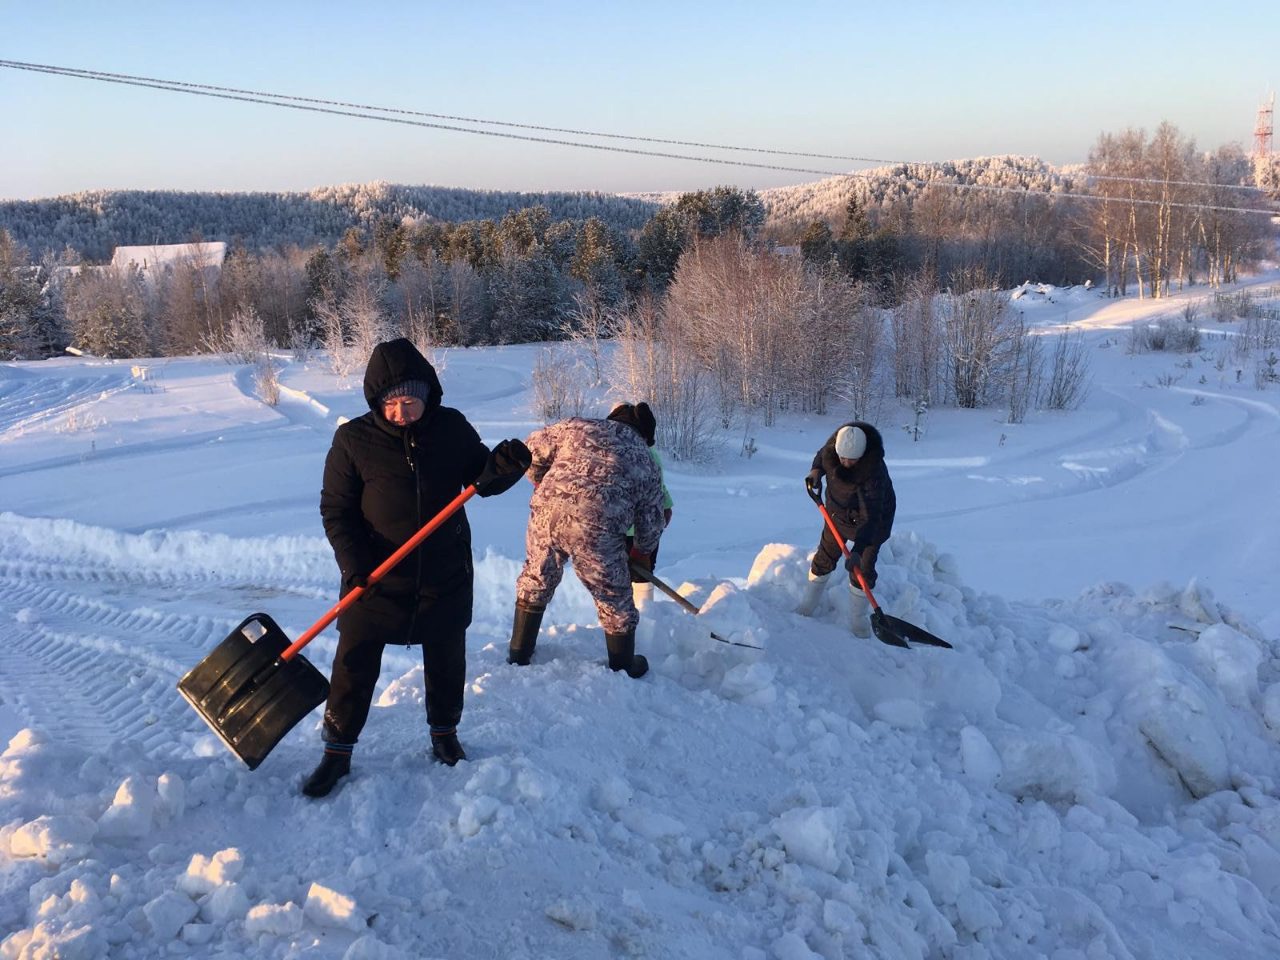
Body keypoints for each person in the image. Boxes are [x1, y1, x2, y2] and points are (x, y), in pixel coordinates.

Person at [303, 337, 529, 798]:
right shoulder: (353, 441)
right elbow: (336, 510)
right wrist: (356, 566)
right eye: (392, 403)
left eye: (411, 401)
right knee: (354, 663)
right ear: (376, 401)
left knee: (447, 659)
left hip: (443, 571)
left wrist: (506, 466)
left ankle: (445, 734)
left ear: (427, 396)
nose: (403, 412)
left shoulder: (450, 428)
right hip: (375, 576)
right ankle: (337, 751)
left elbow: (481, 479)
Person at [507, 403, 666, 678]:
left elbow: (528, 452)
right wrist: (641, 550)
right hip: (597, 528)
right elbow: (652, 521)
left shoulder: (574, 426)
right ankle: (622, 666)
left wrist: (544, 482)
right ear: (645, 436)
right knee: (613, 594)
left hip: (548, 514)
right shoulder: (646, 459)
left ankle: (519, 653)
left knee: (537, 576)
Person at [797, 421, 896, 637]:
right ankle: (807, 606)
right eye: (842, 458)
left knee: (863, 570)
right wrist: (815, 470)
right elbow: (823, 455)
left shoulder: (873, 475)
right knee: (824, 557)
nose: (846, 463)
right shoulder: (835, 447)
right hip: (837, 514)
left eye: (852, 460)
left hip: (873, 523)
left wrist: (858, 550)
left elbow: (870, 518)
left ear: (862, 456)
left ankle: (858, 623)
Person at [609, 403, 673, 612]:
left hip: (633, 526)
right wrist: (665, 508)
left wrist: (665, 505)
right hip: (636, 527)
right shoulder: (640, 451)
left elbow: (657, 485)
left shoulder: (637, 451)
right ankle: (632, 617)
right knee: (633, 573)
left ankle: (641, 616)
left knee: (637, 574)